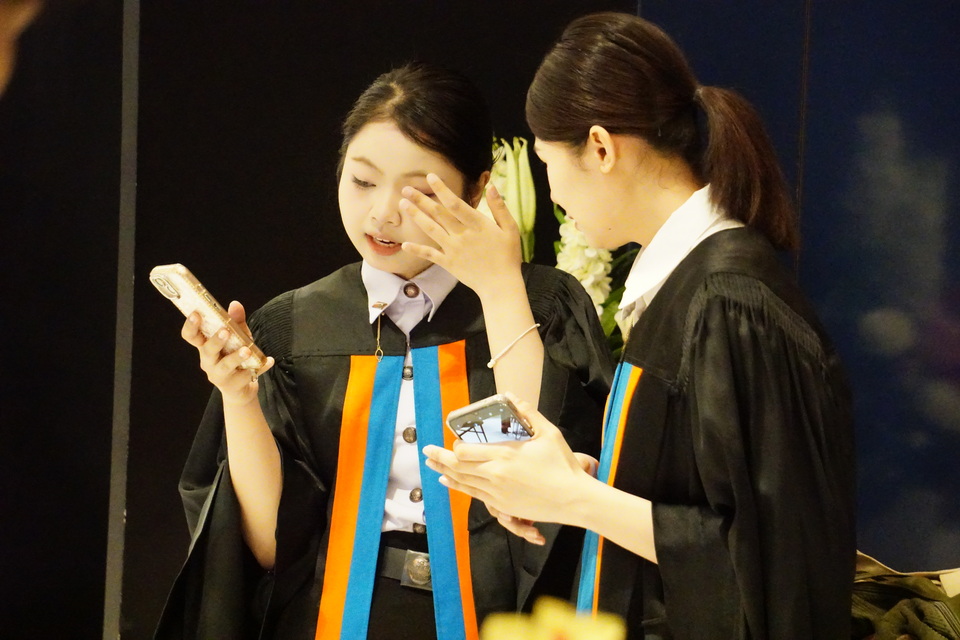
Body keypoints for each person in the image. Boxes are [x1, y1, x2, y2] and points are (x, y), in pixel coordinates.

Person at [422, 12, 857, 640]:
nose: (552, 194)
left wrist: (575, 499)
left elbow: (774, 560)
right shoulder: (688, 287)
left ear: (601, 149)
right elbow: (695, 502)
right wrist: (566, 484)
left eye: (547, 163)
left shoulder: (728, 301)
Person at [153, 62, 613, 640]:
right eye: (363, 181)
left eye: (417, 191)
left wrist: (500, 288)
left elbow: (541, 489)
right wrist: (239, 397)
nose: (382, 213)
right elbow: (271, 547)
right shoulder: (295, 327)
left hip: (498, 618)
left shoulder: (541, 305)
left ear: (476, 189)